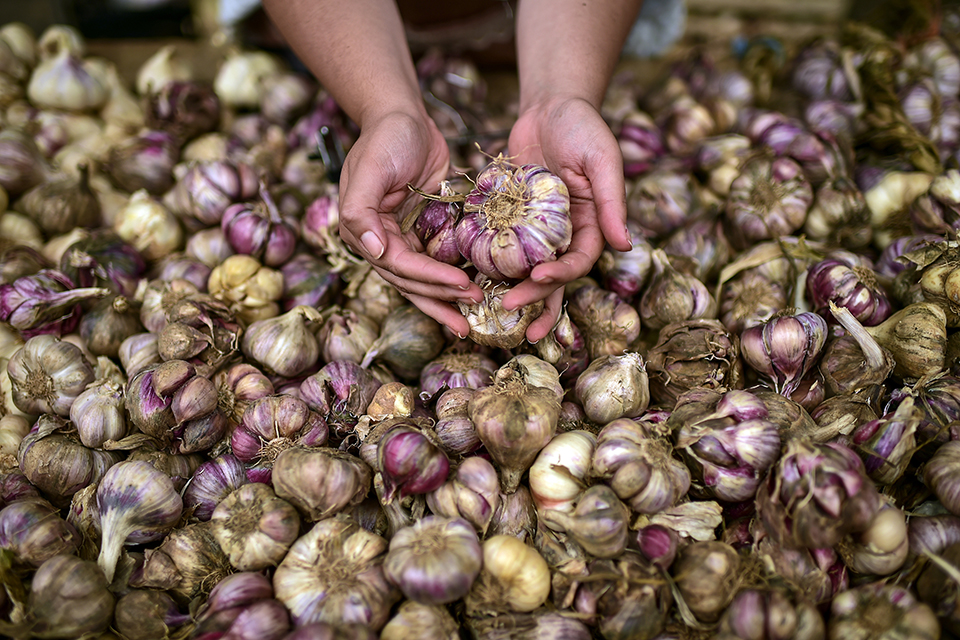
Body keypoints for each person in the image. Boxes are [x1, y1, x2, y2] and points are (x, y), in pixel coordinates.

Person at [262, 0, 646, 342]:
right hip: (342, 38)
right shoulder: (480, 212)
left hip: (576, 30)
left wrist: (561, 95)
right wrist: (386, 108)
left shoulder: (487, 207)